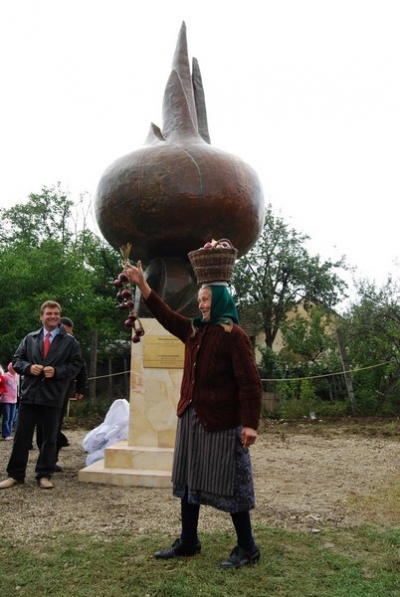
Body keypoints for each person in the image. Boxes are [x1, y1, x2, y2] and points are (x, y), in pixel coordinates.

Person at [124, 258, 262, 569]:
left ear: (221, 300)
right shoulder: (194, 331)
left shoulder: (233, 335)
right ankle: (189, 540)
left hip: (222, 421)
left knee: (232, 483)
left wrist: (250, 424)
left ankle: (248, 547)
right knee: (188, 480)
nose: (200, 305)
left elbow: (250, 383)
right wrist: (143, 285)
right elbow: (167, 315)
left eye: (205, 299)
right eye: (199, 299)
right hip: (191, 416)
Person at [0, 300, 84, 490]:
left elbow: (76, 365)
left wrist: (57, 371)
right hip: (30, 396)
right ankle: (15, 475)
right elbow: (17, 361)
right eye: (49, 313)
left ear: (59, 317)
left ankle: (44, 475)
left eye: (56, 313)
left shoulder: (70, 342)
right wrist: (29, 367)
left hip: (53, 397)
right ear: (41, 316)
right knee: (21, 437)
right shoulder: (30, 338)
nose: (53, 316)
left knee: (49, 438)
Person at [1, 363, 18, 440]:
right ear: (11, 368)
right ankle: (5, 434)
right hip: (6, 400)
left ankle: (9, 433)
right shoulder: (5, 376)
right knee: (6, 417)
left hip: (14, 400)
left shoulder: (17, 376)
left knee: (12, 417)